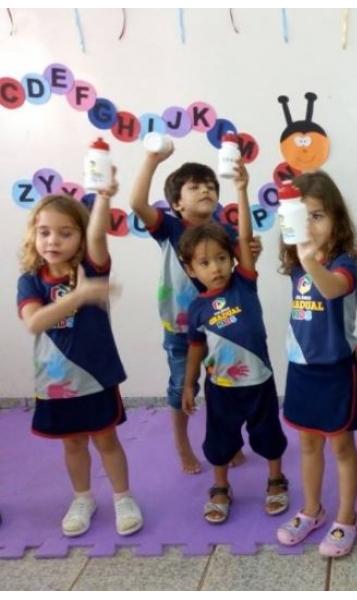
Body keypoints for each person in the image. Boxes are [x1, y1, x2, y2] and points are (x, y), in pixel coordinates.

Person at [17, 182, 144, 538]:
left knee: (106, 440)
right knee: (72, 443)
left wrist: (103, 197)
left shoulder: (91, 269)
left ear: (80, 237)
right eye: (44, 232)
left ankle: (123, 497)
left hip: (96, 376)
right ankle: (83, 498)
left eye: (65, 232)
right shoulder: (30, 281)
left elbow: (98, 234)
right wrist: (80, 297)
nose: (53, 241)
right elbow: (34, 322)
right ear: (34, 236)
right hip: (56, 383)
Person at [129, 146, 252, 475]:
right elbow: (137, 203)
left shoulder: (225, 232)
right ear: (177, 204)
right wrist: (152, 159)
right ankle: (183, 445)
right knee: (181, 386)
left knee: (223, 386)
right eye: (195, 186)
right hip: (180, 329)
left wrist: (252, 248)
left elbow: (246, 268)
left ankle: (227, 439)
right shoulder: (170, 229)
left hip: (222, 327)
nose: (206, 190)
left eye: (211, 185)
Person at [179, 162, 289, 523]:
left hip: (258, 381)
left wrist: (241, 189)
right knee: (220, 441)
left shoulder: (244, 283)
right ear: (191, 269)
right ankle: (221, 487)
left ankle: (276, 479)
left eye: (222, 259)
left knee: (269, 435)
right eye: (206, 263)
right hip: (221, 387)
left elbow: (243, 237)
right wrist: (190, 382)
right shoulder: (197, 309)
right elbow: (196, 347)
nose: (216, 268)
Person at [275, 172, 357, 557]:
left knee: (341, 447)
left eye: (318, 216)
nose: (310, 225)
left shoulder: (344, 263)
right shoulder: (297, 263)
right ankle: (311, 509)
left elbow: (331, 289)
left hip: (335, 371)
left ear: (337, 221)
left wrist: (309, 261)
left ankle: (347, 518)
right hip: (300, 368)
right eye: (303, 216)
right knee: (307, 443)